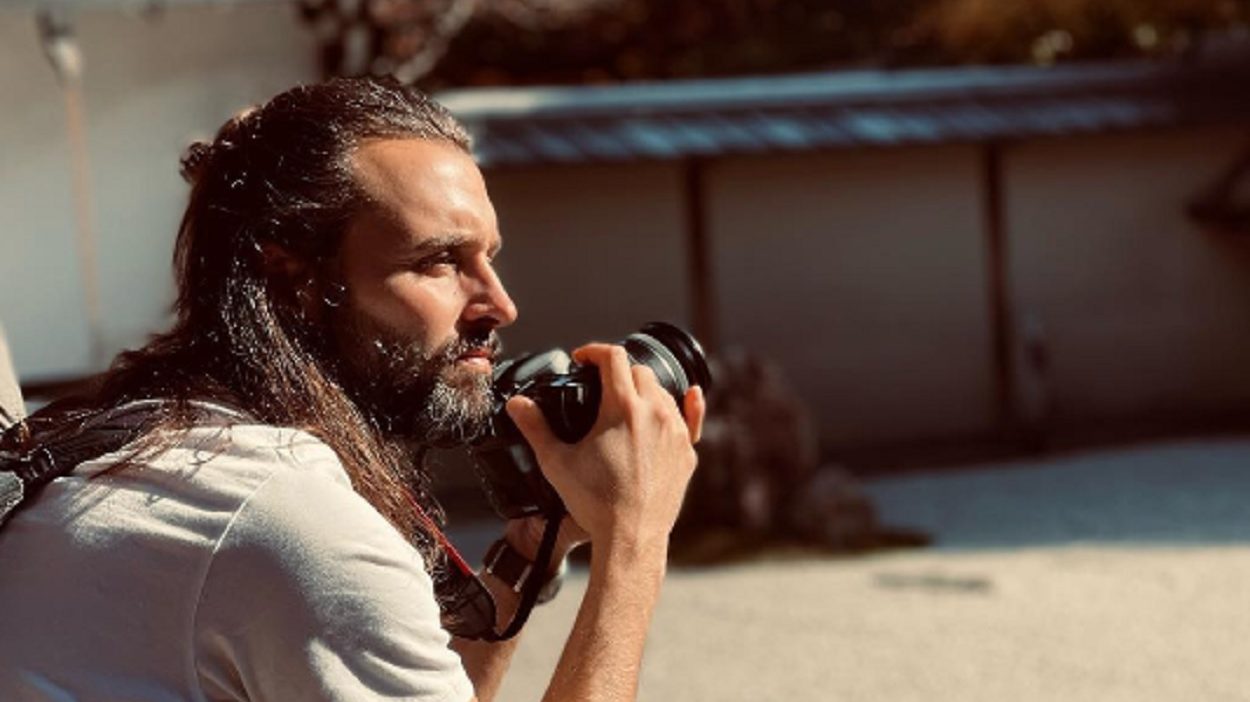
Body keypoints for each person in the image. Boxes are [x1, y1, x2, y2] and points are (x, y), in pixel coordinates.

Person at [0, 77, 704, 701]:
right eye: (439, 261)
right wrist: (635, 538)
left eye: (488, 257)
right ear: (294, 280)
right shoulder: (284, 516)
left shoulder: (156, 442)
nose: (500, 304)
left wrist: (530, 550)